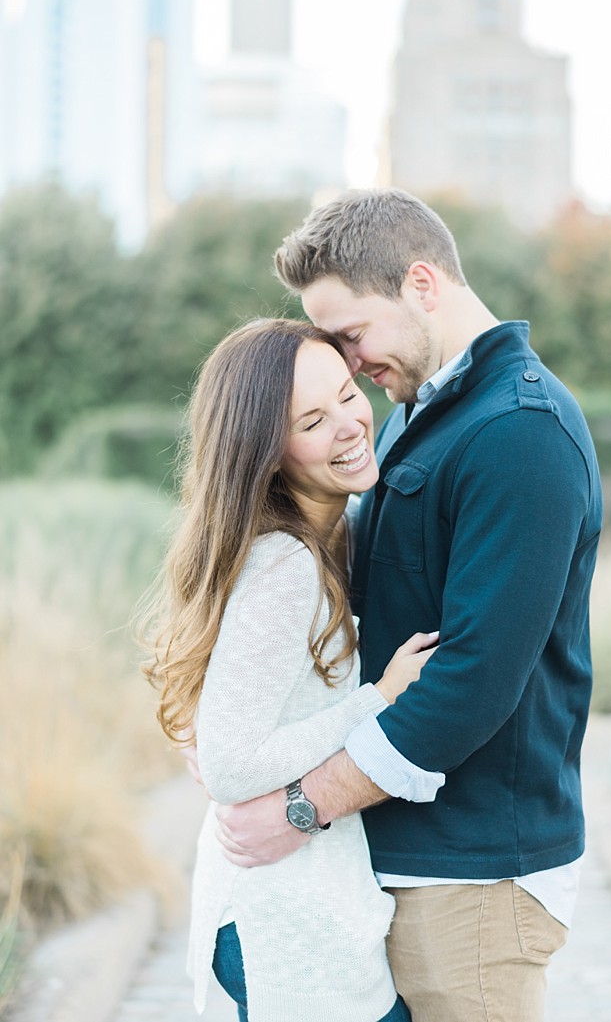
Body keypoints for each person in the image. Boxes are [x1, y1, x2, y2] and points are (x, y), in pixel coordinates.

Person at [212, 188, 604, 1022]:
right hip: (401, 863)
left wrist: (303, 804)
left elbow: (469, 680)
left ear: (421, 283)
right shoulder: (416, 418)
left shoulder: (519, 432)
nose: (348, 364)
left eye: (351, 334)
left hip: (472, 877)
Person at [141, 318, 438, 1022]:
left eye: (346, 393)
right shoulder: (286, 566)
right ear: (268, 454)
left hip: (306, 917)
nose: (348, 424)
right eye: (312, 419)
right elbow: (233, 761)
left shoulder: (326, 535)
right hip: (286, 929)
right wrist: (378, 698)